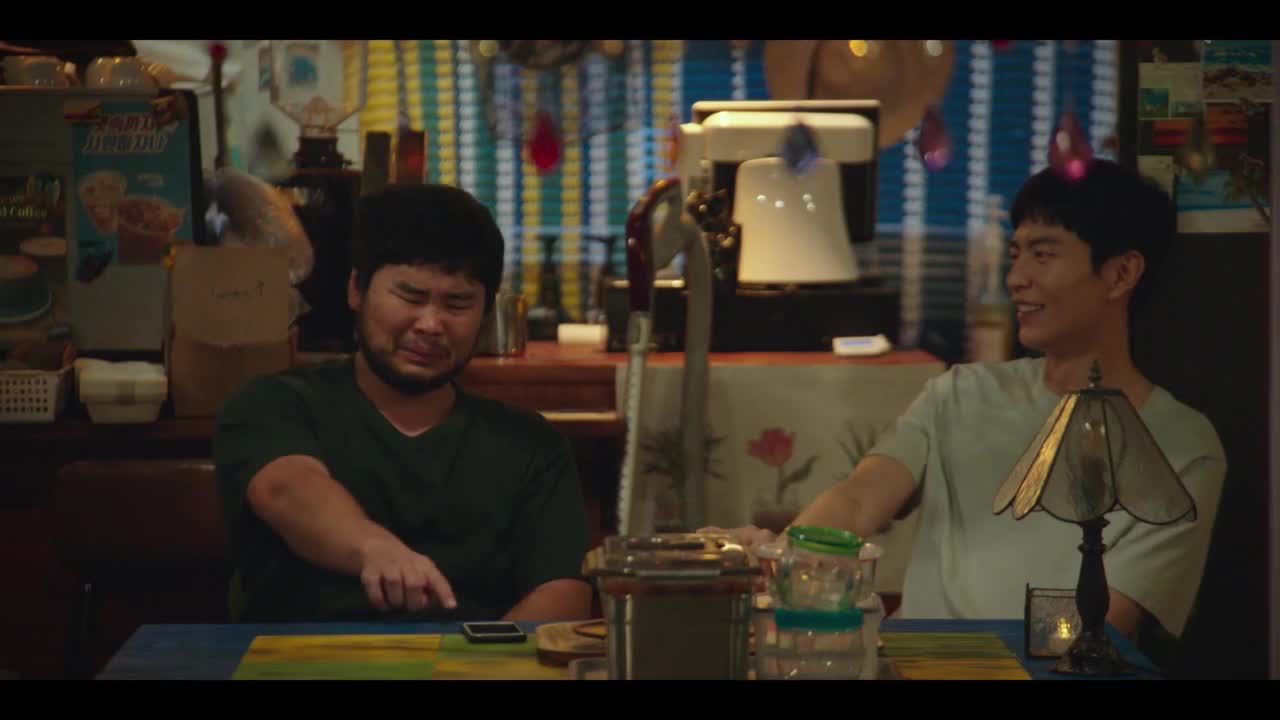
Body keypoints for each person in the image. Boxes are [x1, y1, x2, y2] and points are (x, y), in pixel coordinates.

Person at [706, 159, 1225, 643]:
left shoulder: (1182, 448)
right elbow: (860, 499)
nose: (1015, 278)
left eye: (1043, 254)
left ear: (1120, 274)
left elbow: (1100, 627)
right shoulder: (961, 392)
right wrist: (783, 557)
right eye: (1016, 254)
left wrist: (936, 648)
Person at [213, 184, 593, 623]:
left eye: (457, 304)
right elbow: (286, 488)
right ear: (356, 289)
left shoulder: (529, 445)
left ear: (485, 313)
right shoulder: (275, 404)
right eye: (410, 297)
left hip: (476, 659)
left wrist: (479, 660)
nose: (430, 324)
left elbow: (563, 592)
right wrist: (374, 548)